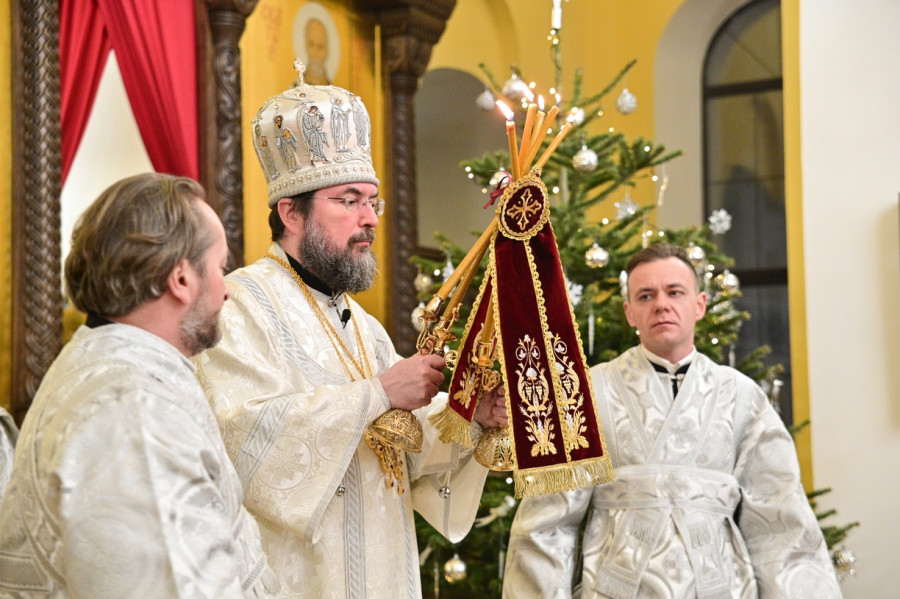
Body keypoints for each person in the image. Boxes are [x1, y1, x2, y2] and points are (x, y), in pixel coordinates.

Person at [193, 63, 507, 598]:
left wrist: (466, 415)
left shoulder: (366, 328)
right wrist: (377, 393)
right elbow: (239, 441)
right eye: (348, 201)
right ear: (291, 213)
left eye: (372, 201)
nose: (371, 220)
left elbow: (401, 452)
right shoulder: (239, 305)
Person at [503, 243, 841, 598]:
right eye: (646, 295)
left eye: (675, 292)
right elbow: (546, 525)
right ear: (629, 312)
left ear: (700, 304)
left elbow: (782, 523)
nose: (661, 304)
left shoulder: (743, 397)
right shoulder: (585, 392)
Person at [0, 173, 280, 598]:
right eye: (221, 268)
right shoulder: (136, 411)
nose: (227, 291)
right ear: (181, 278)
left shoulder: (114, 365)